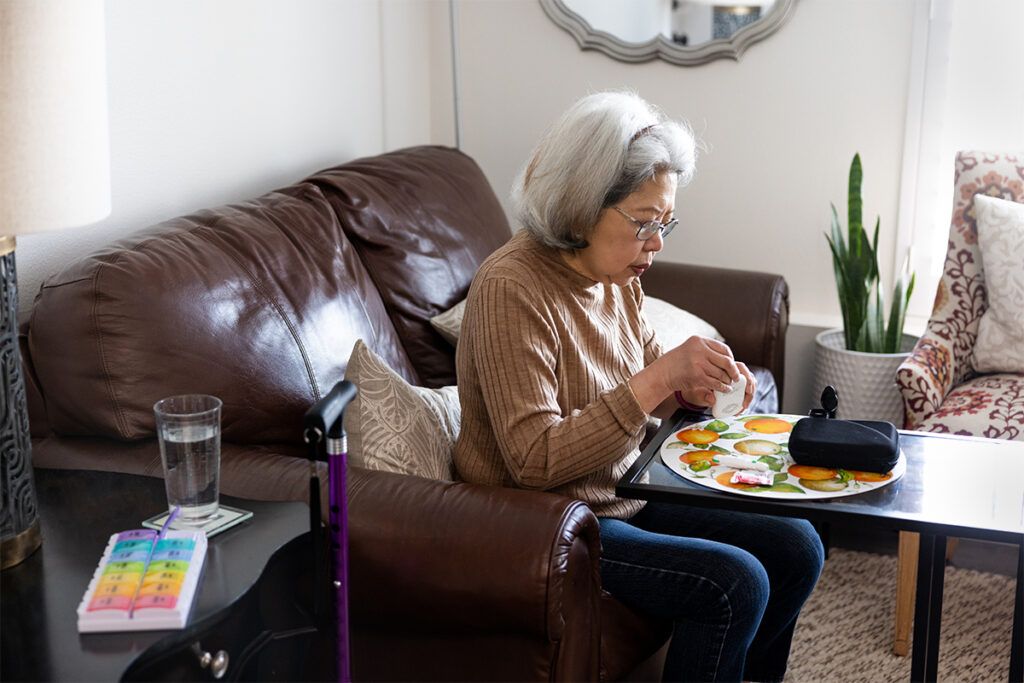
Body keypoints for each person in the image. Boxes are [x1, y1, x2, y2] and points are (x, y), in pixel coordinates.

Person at [453, 90, 823, 682]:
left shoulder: (616, 272)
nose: (657, 245)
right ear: (580, 205)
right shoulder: (509, 288)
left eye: (665, 223)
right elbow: (533, 460)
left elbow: (647, 364)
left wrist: (695, 385)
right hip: (549, 523)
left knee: (797, 545)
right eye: (645, 224)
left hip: (622, 493)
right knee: (734, 582)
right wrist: (657, 381)